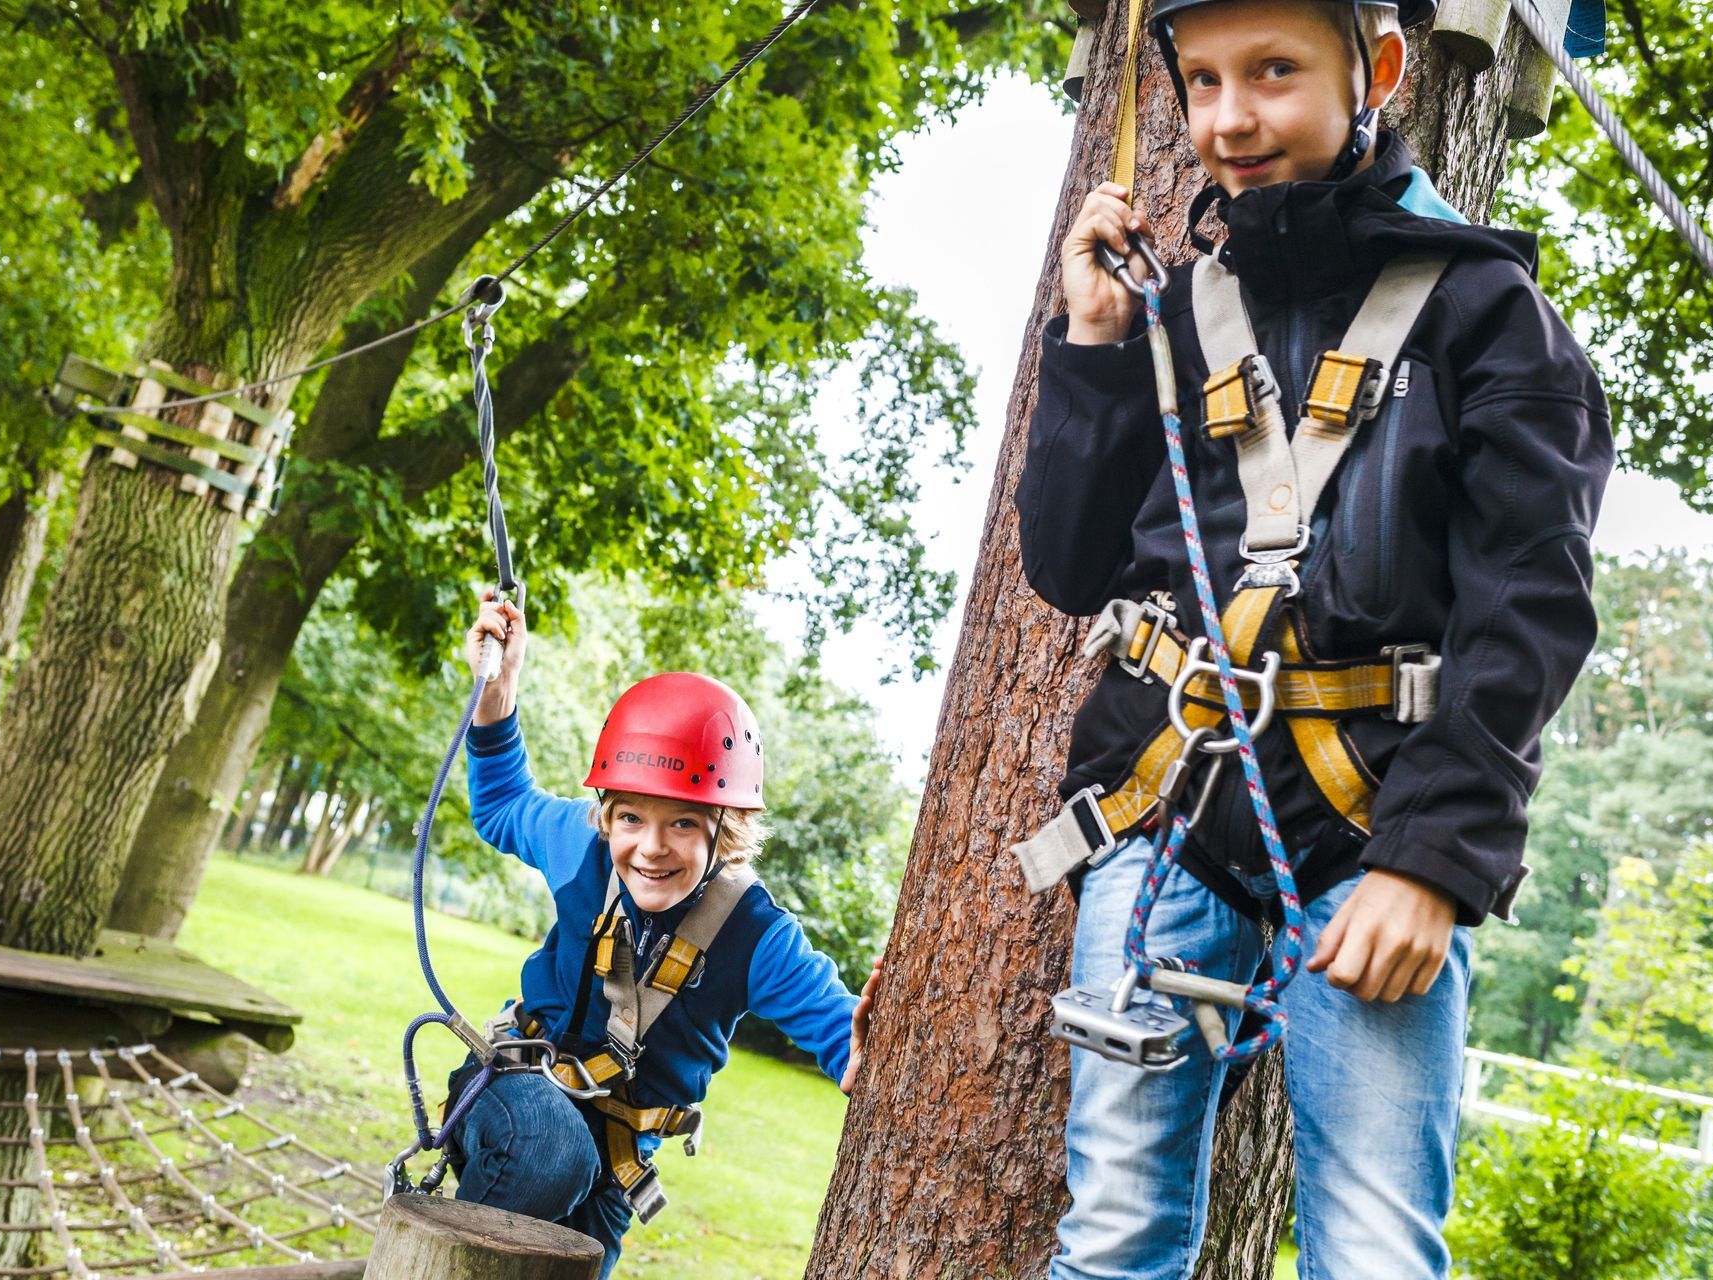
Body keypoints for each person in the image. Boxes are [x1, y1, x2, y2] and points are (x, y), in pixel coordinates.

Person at [1013, 0, 1613, 1276]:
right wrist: (1095, 343)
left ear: (1379, 70)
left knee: (1377, 1252)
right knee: (1111, 1237)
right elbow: (1068, 563)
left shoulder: (1489, 315)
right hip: (1167, 818)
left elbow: (1531, 607)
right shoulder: (1177, 310)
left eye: (1275, 72)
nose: (1231, 118)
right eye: (1206, 79)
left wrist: (1435, 863)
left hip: (1372, 842)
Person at [444, 591, 882, 1276]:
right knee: (553, 1151)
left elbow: (839, 1034)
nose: (651, 848)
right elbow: (502, 805)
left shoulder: (756, 935)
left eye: (682, 823)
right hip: (514, 1099)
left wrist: (864, 1047)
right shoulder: (578, 846)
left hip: (614, 1163)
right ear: (606, 815)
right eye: (630, 820)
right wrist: (499, 691)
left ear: (723, 829)